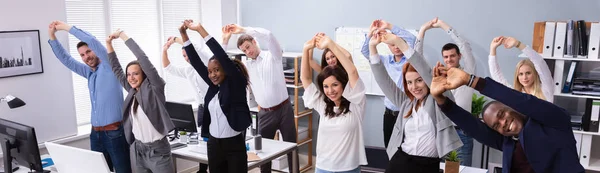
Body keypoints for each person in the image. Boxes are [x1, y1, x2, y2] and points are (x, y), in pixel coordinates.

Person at [429, 63, 584, 173]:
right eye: (496, 126)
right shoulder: (508, 142)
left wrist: (471, 81)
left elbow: (526, 102)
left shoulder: (555, 121)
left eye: (502, 114)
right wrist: (441, 99)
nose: (503, 123)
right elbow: (473, 127)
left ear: (512, 107)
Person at [369, 31, 462, 173]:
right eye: (409, 82)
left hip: (427, 166)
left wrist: (399, 42)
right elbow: (384, 81)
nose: (414, 87)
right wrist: (372, 47)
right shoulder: (407, 103)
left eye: (419, 80)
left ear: (426, 80)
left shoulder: (439, 99)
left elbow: (424, 69)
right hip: (400, 162)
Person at [47, 21, 131, 173]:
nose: (86, 57)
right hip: (95, 134)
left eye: (89, 52)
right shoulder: (89, 73)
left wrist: (66, 28)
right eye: (83, 55)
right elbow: (66, 60)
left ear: (96, 51)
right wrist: (52, 36)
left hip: (115, 133)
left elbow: (92, 41)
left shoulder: (110, 66)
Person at [222, 23, 298, 173]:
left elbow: (269, 35)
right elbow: (223, 64)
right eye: (244, 50)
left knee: (292, 147)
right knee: (263, 152)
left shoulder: (273, 56)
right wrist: (224, 41)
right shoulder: (246, 67)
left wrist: (243, 30)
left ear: (255, 42)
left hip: (284, 110)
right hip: (264, 113)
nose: (247, 52)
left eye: (248, 47)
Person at [181, 20, 252, 173]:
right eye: (210, 71)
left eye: (217, 70)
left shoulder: (236, 84)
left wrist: (200, 29)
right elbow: (195, 61)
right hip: (214, 145)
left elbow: (220, 54)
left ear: (226, 69)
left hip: (234, 144)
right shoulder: (213, 87)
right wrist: (183, 34)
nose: (212, 74)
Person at [106, 29, 175, 173]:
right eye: (129, 74)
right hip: (138, 150)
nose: (131, 78)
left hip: (158, 151)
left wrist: (123, 36)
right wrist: (109, 44)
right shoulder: (132, 91)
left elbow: (142, 58)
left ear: (144, 74)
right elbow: (116, 69)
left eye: (135, 74)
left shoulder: (155, 88)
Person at [301, 33, 367, 173]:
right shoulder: (322, 104)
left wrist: (330, 44)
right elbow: (306, 79)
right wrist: (306, 49)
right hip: (323, 167)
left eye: (335, 85)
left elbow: (352, 71)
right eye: (326, 86)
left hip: (349, 168)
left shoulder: (356, 102)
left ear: (343, 84)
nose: (330, 91)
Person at [417, 17, 476, 166]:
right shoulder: (438, 78)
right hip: (443, 132)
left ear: (459, 56)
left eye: (452, 56)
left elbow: (464, 46)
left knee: (460, 170)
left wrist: (443, 26)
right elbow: (417, 59)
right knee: (445, 170)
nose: (449, 59)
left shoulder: (468, 73)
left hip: (462, 132)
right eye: (446, 57)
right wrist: (423, 30)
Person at [361, 19, 416, 149]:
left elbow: (413, 39)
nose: (396, 47)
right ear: (387, 45)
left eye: (398, 43)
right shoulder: (385, 60)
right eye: (392, 44)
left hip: (406, 114)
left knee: (406, 150)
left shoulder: (410, 60)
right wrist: (370, 34)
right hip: (389, 114)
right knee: (389, 148)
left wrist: (389, 26)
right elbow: (365, 52)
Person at [161, 36, 210, 173]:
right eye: (184, 56)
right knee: (203, 139)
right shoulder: (188, 71)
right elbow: (169, 68)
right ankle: (203, 170)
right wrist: (164, 50)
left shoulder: (206, 66)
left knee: (216, 140)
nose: (186, 58)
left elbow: (196, 49)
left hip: (214, 107)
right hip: (201, 109)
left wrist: (177, 39)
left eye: (187, 54)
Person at [489, 36, 554, 102]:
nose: (524, 77)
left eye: (528, 73)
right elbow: (497, 76)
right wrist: (492, 49)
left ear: (535, 73)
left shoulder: (546, 88)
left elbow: (539, 62)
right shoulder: (516, 94)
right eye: (520, 74)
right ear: (517, 76)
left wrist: (518, 44)